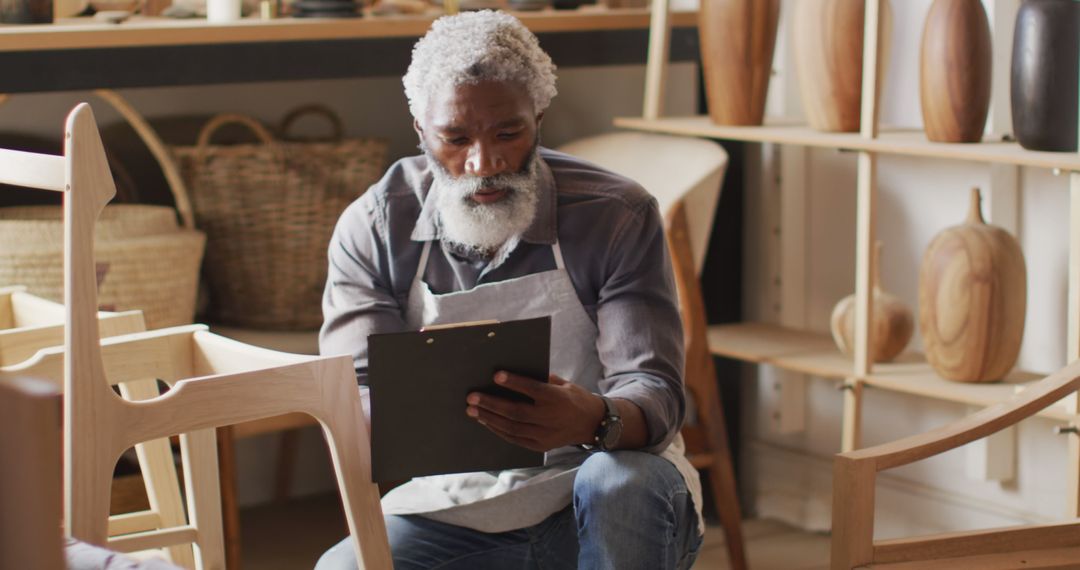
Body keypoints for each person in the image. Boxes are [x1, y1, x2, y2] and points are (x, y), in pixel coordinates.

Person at [315, 10, 702, 570]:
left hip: (598, 484)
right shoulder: (377, 227)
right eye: (455, 138)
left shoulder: (615, 215)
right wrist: (398, 418)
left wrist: (593, 418)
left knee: (617, 483)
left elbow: (656, 392)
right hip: (458, 505)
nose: (484, 162)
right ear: (422, 130)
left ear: (539, 116)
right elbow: (353, 392)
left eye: (508, 133)